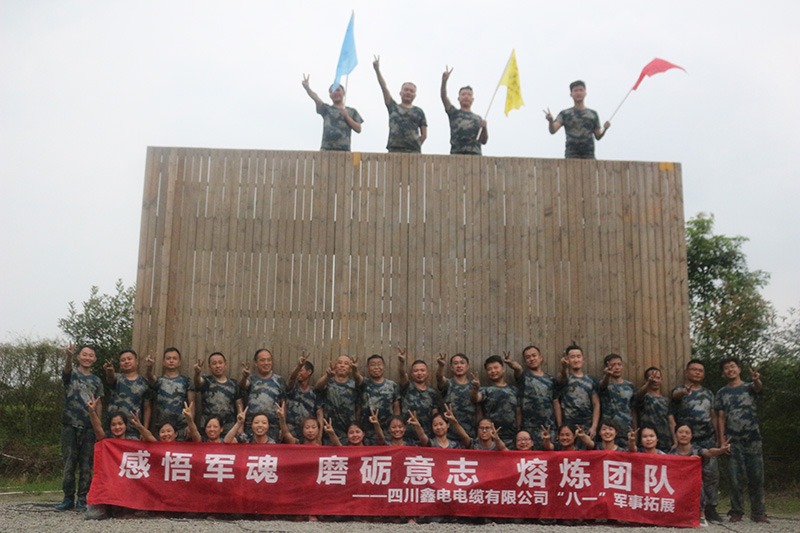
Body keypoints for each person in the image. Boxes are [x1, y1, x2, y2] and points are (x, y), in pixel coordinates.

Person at [715, 357, 768, 523]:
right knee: (735, 478)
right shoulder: (721, 392)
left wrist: (756, 379)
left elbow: (758, 388)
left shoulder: (749, 387)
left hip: (753, 438)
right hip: (732, 440)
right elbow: (720, 417)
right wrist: (721, 440)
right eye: (726, 368)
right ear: (723, 373)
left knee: (756, 476)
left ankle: (758, 513)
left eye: (733, 366)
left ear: (739, 369)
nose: (730, 370)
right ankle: (736, 511)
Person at [671, 358, 722, 522]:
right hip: (686, 441)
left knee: (710, 474)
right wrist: (684, 392)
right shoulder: (679, 390)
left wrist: (718, 437)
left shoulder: (708, 393)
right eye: (694, 369)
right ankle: (684, 506)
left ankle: (711, 508)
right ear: (687, 372)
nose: (697, 373)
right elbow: (675, 397)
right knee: (683, 475)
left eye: (700, 370)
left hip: (707, 438)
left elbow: (713, 415)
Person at [57, 344, 104, 512]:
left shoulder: (97, 381)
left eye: (91, 355)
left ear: (95, 359)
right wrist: (68, 356)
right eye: (84, 354)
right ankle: (68, 498)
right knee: (69, 463)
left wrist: (98, 425)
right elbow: (66, 371)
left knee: (86, 465)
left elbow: (99, 403)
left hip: (89, 427)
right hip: (70, 425)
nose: (87, 358)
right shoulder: (71, 374)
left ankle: (82, 498)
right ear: (78, 357)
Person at [670, 423, 731, 527]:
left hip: (694, 484)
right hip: (677, 484)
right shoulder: (671, 453)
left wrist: (720, 450)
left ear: (691, 436)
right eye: (680, 432)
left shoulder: (697, 450)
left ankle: (701, 514)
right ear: (675, 434)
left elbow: (709, 452)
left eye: (687, 432)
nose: (683, 435)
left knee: (698, 482)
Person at [372, 56, 427, 153]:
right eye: (406, 90)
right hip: (394, 149)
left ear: (415, 95)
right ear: (400, 93)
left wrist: (415, 144)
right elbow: (384, 87)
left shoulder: (419, 111)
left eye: (411, 91)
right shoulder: (393, 107)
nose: (408, 92)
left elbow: (424, 134)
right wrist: (377, 70)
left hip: (413, 152)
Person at [544, 80, 610, 159]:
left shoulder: (593, 114)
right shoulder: (565, 114)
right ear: (571, 94)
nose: (578, 93)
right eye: (575, 90)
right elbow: (553, 130)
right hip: (571, 154)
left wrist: (605, 129)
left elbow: (598, 136)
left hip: (589, 154)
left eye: (581, 90)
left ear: (585, 93)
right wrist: (551, 121)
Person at [512, 345, 560, 449]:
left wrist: (559, 427)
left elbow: (555, 403)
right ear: (525, 362)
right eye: (528, 357)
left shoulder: (551, 380)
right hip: (528, 428)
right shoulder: (523, 377)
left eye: (534, 355)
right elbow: (517, 370)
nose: (531, 359)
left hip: (548, 427)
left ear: (540, 357)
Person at [302, 74, 363, 151]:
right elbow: (316, 99)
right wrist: (307, 88)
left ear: (343, 92)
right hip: (326, 150)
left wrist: (347, 117)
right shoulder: (326, 109)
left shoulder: (352, 111)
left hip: (344, 151)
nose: (335, 93)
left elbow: (358, 129)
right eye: (332, 91)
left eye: (337, 90)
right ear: (330, 95)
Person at [145, 347, 195, 441]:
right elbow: (150, 378)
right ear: (163, 362)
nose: (171, 361)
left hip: (182, 426)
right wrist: (149, 368)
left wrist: (190, 425)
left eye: (174, 358)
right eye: (168, 358)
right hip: (162, 428)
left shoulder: (186, 381)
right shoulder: (158, 381)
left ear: (179, 362)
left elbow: (191, 403)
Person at [472, 354, 519, 448]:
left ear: (503, 369)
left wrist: (518, 429)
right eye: (489, 369)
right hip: (490, 439)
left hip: (511, 438)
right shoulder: (485, 390)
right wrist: (475, 389)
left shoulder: (514, 390)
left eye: (496, 367)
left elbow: (518, 412)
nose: (493, 371)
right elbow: (475, 398)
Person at [556, 344, 600, 445]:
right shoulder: (564, 378)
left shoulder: (591, 380)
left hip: (587, 425)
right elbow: (562, 379)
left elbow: (596, 404)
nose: (576, 360)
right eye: (572, 357)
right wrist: (564, 367)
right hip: (568, 426)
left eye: (578, 356)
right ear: (567, 359)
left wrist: (594, 426)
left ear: (583, 359)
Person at [102, 349, 152, 438]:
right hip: (114, 429)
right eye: (123, 360)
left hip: (133, 429)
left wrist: (144, 430)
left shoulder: (144, 382)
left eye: (129, 359)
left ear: (136, 362)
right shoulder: (117, 378)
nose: (126, 362)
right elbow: (110, 378)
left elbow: (146, 407)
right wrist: (109, 371)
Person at [397, 349, 443, 443]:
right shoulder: (407, 387)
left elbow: (435, 415)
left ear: (427, 373)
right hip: (407, 436)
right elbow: (402, 375)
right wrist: (402, 363)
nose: (419, 373)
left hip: (426, 436)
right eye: (416, 371)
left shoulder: (432, 393)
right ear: (411, 374)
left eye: (422, 370)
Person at [240, 348, 286, 442]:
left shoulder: (279, 380)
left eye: (269, 360)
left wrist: (283, 427)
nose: (266, 363)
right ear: (256, 363)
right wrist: (244, 377)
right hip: (252, 426)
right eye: (262, 360)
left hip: (273, 427)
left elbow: (283, 404)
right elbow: (243, 386)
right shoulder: (251, 379)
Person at [440, 66, 487, 155]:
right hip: (457, 154)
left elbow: (484, 141)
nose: (466, 96)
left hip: (475, 155)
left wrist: (484, 127)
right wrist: (444, 81)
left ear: (472, 99)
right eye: (463, 94)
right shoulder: (454, 113)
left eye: (469, 95)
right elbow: (443, 96)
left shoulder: (478, 119)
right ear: (459, 98)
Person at [316, 354, 363, 443]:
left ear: (350, 368)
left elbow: (358, 408)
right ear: (335, 366)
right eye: (339, 363)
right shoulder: (328, 382)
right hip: (329, 432)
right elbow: (318, 387)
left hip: (349, 433)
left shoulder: (354, 385)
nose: (342, 365)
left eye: (346, 363)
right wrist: (327, 376)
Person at [193, 352, 242, 434]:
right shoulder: (206, 381)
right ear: (209, 366)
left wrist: (240, 426)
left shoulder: (233, 384)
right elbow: (198, 382)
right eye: (214, 363)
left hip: (229, 428)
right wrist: (197, 373)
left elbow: (239, 405)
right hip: (208, 427)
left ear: (225, 365)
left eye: (220, 362)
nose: (218, 366)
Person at [359, 353, 400, 443]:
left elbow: (396, 407)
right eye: (372, 365)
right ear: (368, 368)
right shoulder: (364, 383)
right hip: (367, 434)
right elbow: (357, 376)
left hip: (388, 433)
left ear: (384, 367)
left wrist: (396, 425)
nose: (376, 367)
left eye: (379, 364)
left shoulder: (392, 385)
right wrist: (354, 369)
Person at [436, 352, 477, 440]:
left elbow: (479, 410)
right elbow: (439, 378)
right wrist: (441, 366)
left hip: (469, 435)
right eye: (455, 363)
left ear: (467, 366)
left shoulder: (474, 386)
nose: (459, 366)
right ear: (451, 367)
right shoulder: (448, 384)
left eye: (462, 363)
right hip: (449, 436)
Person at [598, 353, 635, 448]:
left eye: (619, 364)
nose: (617, 367)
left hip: (626, 429)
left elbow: (633, 409)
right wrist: (607, 375)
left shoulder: (630, 386)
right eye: (613, 365)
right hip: (608, 430)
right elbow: (602, 386)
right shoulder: (604, 384)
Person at [634, 366, 673, 452]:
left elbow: (671, 422)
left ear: (661, 380)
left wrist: (676, 442)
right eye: (652, 378)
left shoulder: (666, 400)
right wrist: (648, 383)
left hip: (665, 443)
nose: (655, 380)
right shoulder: (643, 397)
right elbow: (638, 396)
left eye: (658, 378)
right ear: (646, 380)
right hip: (647, 443)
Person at [284, 352, 320, 441]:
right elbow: (292, 378)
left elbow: (319, 414)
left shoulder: (314, 393)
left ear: (309, 372)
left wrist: (319, 437)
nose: (297, 373)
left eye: (300, 370)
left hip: (308, 435)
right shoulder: (292, 388)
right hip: (291, 434)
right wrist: (299, 366)